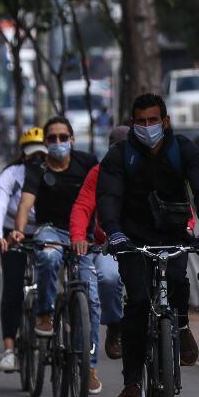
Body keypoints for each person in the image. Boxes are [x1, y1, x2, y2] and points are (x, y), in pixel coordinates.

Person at [97, 92, 199, 397]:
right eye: (141, 121)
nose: (147, 127)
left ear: (165, 121)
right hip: (131, 240)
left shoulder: (183, 150)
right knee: (137, 302)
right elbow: (108, 197)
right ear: (132, 123)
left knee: (177, 282)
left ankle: (182, 326)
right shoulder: (119, 156)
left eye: (153, 120)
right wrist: (114, 232)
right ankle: (132, 382)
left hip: (173, 234)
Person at [9, 117, 101, 387]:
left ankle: (89, 365)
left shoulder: (87, 163)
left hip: (82, 237)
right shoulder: (37, 169)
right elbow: (25, 205)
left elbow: (103, 197)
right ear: (45, 142)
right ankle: (44, 314)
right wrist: (18, 230)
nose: (58, 143)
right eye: (52, 138)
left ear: (72, 139)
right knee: (48, 256)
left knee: (92, 300)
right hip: (50, 231)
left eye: (63, 137)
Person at [68, 125, 129, 380]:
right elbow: (82, 206)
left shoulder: (149, 168)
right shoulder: (99, 173)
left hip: (143, 243)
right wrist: (78, 237)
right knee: (108, 278)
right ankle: (114, 324)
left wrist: (187, 227)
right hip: (109, 245)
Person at [0, 127, 45, 374]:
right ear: (23, 155)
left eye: (42, 154)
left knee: (54, 282)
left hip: (46, 233)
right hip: (13, 233)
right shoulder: (12, 174)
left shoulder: (58, 172)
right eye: (32, 155)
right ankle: (9, 349)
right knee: (12, 289)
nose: (37, 160)